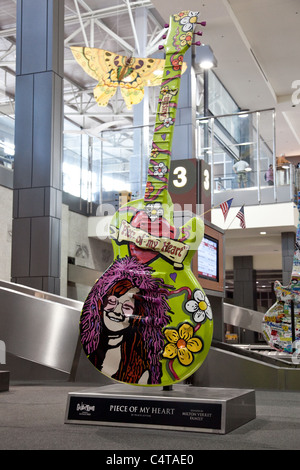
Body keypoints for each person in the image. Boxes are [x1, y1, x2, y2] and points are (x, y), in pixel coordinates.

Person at [80, 256, 172, 385]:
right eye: (112, 301)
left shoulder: (142, 367)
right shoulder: (93, 347)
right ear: (100, 302)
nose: (117, 310)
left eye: (127, 306)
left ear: (139, 312)